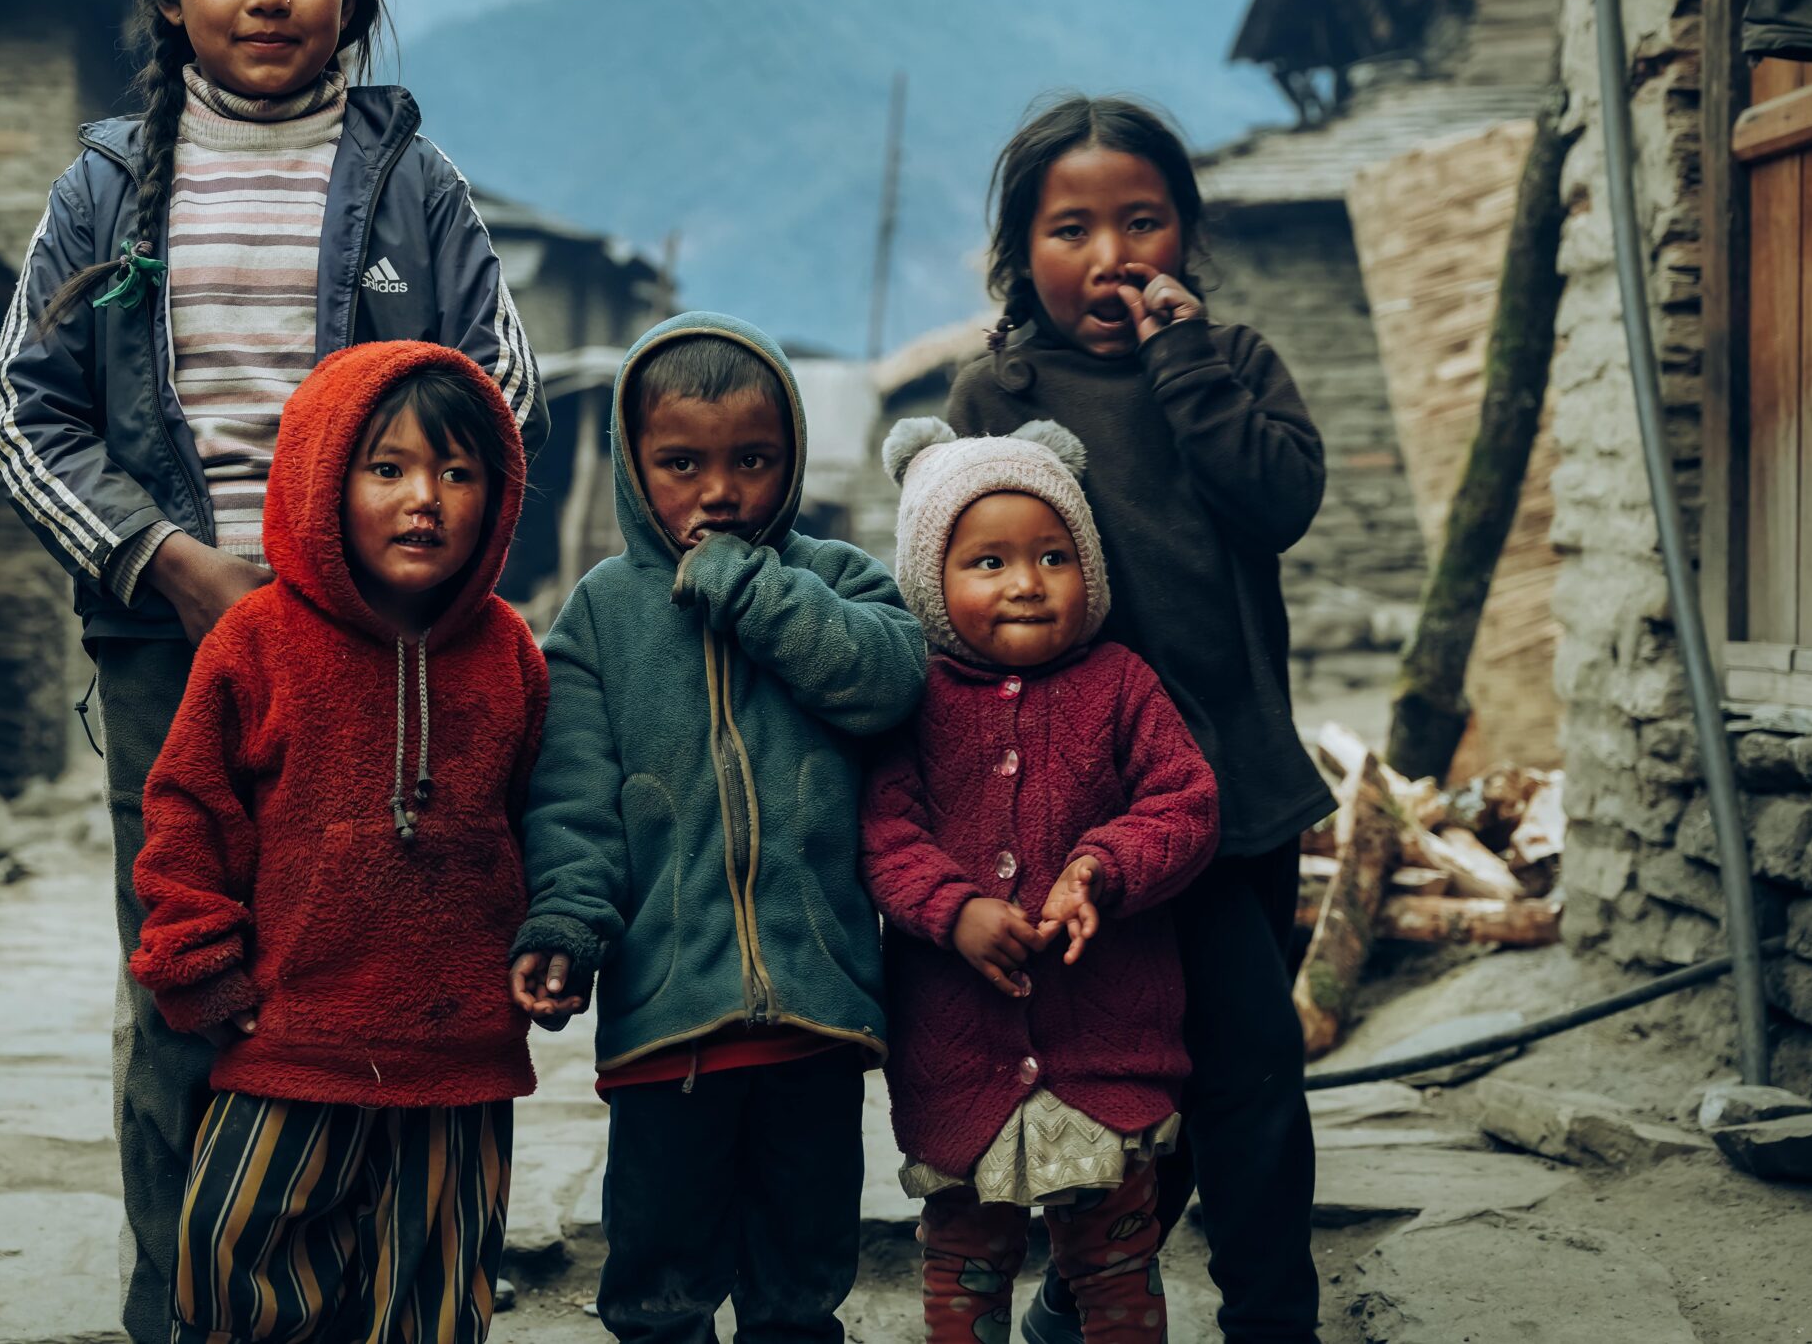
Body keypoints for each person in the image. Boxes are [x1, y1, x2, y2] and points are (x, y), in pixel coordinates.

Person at [0, 0, 543, 1344]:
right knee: (188, 972)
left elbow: (501, 381)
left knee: (373, 969)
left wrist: (377, 562)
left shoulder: (414, 186)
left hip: (387, 648)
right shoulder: (108, 187)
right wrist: (169, 560)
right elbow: (23, 413)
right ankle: (184, 1305)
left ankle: (382, 1294)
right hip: (178, 643)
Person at [946, 96, 1330, 1344]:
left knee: (1251, 1076)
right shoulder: (991, 400)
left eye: (1141, 222)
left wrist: (1182, 361)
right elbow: (947, 594)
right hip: (1070, 820)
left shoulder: (1234, 367)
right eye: (1071, 227)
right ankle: (1084, 1289)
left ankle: (1272, 1318)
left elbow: (1273, 503)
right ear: (1020, 254)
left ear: (1185, 236)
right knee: (1112, 1079)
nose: (1110, 252)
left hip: (1227, 798)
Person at [507, 312, 930, 1344]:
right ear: (631, 462)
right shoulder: (599, 618)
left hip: (815, 1014)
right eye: (680, 462)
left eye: (752, 459)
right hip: (667, 1023)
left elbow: (886, 681)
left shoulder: (834, 580)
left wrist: (751, 585)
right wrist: (563, 925)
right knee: (658, 1277)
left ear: (788, 457)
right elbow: (570, 804)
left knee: (800, 1276)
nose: (719, 491)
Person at [129, 342, 546, 1344]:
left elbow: (544, 820)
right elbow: (187, 814)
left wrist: (554, 939)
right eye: (388, 468)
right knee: (237, 1268)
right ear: (323, 476)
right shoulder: (256, 643)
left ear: (497, 496)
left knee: (434, 1301)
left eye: (457, 473)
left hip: (459, 1058)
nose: (424, 500)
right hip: (288, 1043)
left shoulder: (510, 655)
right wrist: (204, 974)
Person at [862, 418, 1218, 1344]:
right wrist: (955, 909)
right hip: (959, 1053)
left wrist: (1100, 868)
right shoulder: (914, 696)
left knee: (1115, 1268)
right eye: (987, 561)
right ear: (930, 584)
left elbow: (1186, 802)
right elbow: (883, 831)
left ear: (1089, 570)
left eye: (1054, 555)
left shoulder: (1122, 684)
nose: (1026, 581)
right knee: (963, 1265)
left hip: (1105, 1054)